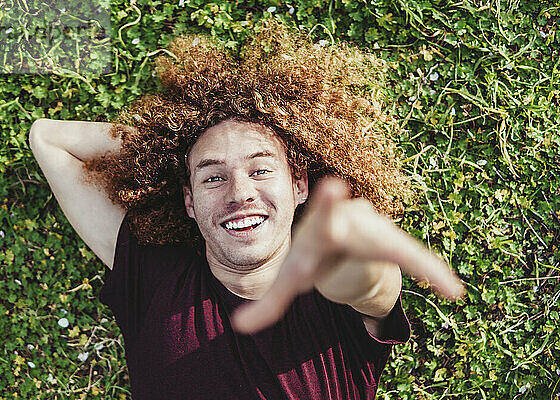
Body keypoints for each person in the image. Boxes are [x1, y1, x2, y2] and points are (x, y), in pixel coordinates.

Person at [29, 20, 463, 400]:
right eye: (213, 176)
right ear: (189, 202)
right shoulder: (155, 274)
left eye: (260, 170)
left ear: (299, 185)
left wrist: (353, 264)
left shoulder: (335, 303)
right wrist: (167, 145)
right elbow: (48, 139)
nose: (240, 193)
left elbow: (376, 290)